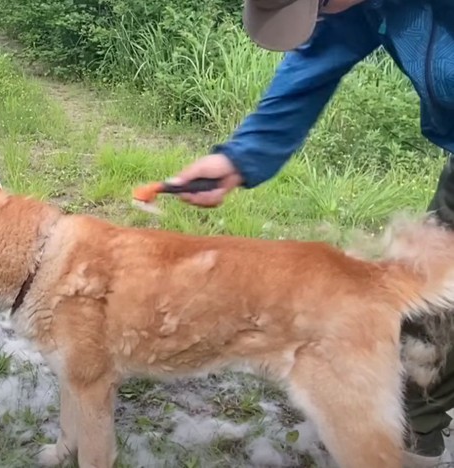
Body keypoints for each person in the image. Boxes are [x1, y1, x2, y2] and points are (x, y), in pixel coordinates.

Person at [169, 0, 454, 466]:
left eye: (317, 6)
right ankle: (411, 431)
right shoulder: (356, 7)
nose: (320, 18)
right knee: (431, 299)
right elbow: (313, 63)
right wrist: (239, 157)